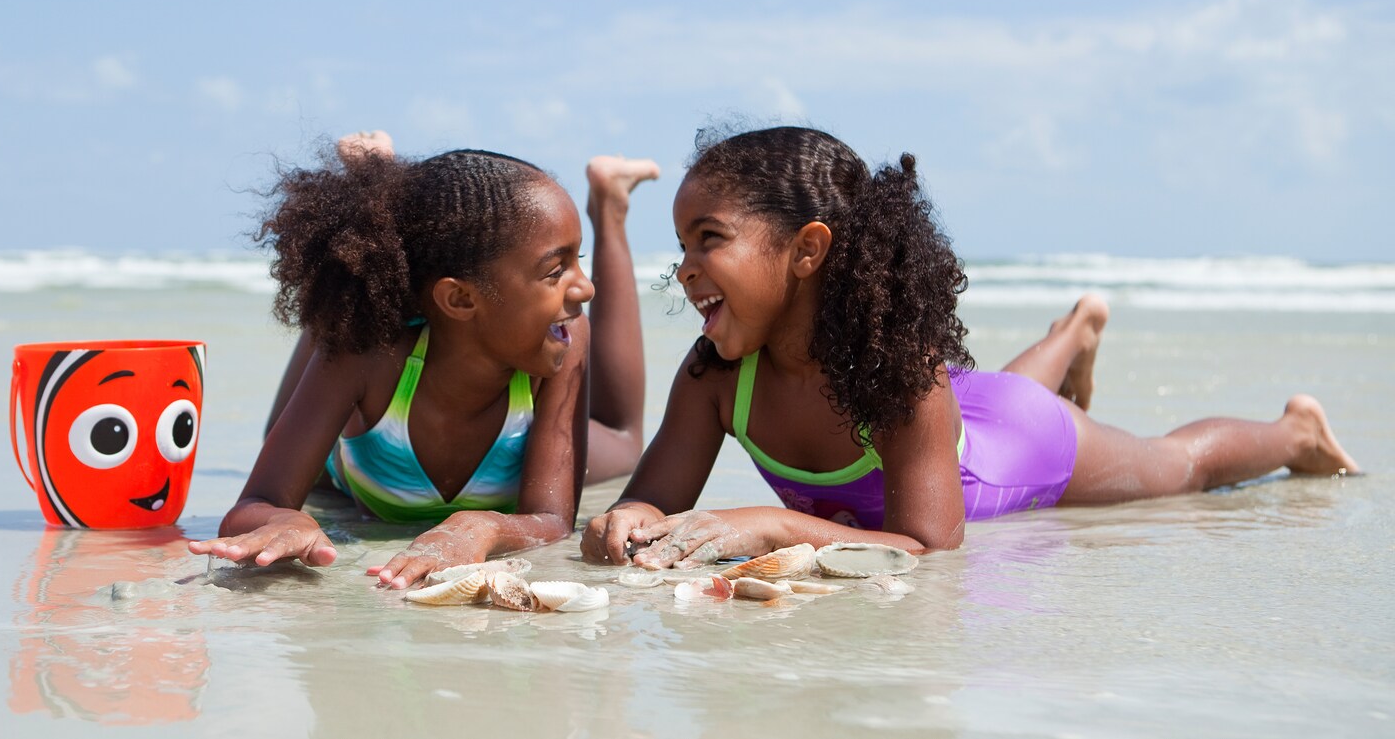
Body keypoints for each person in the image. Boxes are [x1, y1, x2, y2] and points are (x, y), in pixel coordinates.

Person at [583, 125, 1360, 567]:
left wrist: (777, 523)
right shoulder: (716, 376)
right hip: (968, 411)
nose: (683, 269)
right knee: (990, 394)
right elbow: (651, 498)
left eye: (708, 240)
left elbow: (930, 542)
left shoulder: (900, 372)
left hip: (1020, 446)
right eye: (681, 245)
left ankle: (1295, 431)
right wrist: (628, 519)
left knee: (1176, 468)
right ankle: (1071, 334)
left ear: (808, 249)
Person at [190, 135, 658, 588]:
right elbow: (257, 501)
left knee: (623, 442)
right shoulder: (371, 353)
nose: (585, 288)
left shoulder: (564, 337)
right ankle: (368, 214)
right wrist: (284, 519)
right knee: (346, 312)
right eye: (556, 271)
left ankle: (610, 207)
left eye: (578, 261)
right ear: (459, 297)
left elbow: (553, 520)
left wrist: (485, 527)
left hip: (517, 441)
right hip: (358, 452)